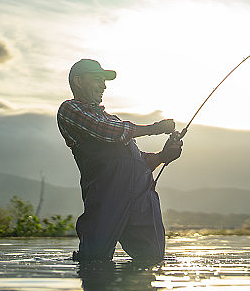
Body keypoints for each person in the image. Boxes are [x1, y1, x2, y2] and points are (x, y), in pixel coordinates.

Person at [57, 59, 182, 262]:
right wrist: (153, 129)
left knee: (152, 257)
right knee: (94, 258)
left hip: (141, 198)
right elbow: (106, 131)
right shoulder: (69, 110)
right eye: (98, 79)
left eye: (104, 81)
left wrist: (163, 156)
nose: (104, 86)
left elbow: (139, 160)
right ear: (78, 81)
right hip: (106, 197)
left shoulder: (113, 120)